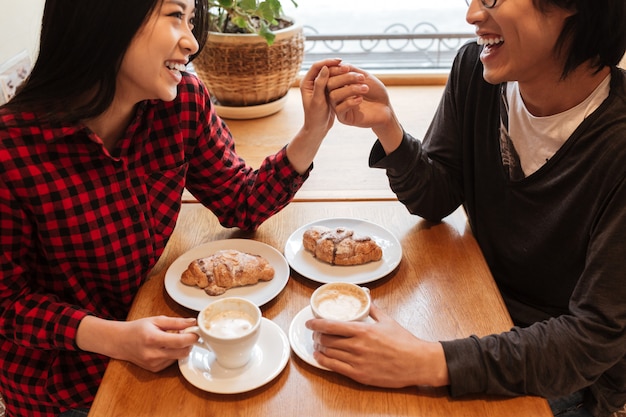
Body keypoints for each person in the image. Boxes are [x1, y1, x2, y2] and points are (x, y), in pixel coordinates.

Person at [0, 0, 338, 415]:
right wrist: (113, 338)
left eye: (192, 21)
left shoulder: (180, 104)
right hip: (62, 381)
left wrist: (313, 131)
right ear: (107, 17)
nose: (192, 42)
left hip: (161, 332)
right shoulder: (11, 149)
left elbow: (241, 202)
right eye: (176, 16)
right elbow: (7, 304)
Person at [307, 1, 626, 416]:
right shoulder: (476, 72)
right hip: (477, 305)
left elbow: (592, 338)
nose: (472, 15)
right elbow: (438, 196)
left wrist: (424, 361)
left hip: (567, 370)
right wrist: (388, 127)